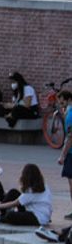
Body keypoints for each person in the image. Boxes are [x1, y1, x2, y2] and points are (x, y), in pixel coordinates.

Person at [57, 89, 72, 219]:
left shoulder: (70, 115)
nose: (61, 105)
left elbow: (70, 137)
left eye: (62, 102)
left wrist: (63, 155)